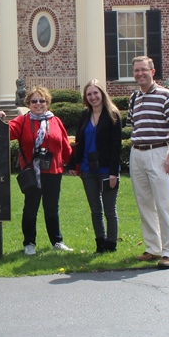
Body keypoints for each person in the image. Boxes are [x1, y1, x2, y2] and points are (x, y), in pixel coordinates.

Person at [0, 86, 74, 255]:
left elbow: (65, 145)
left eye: (42, 101)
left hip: (53, 171)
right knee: (30, 209)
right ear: (28, 103)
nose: (38, 104)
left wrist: (74, 165)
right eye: (34, 101)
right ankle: (29, 243)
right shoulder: (23, 121)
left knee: (52, 208)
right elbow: (6, 132)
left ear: (47, 103)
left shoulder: (56, 121)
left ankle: (57, 241)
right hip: (33, 173)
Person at [127, 56, 169, 269]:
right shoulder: (134, 97)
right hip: (137, 153)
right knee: (144, 203)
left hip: (158, 152)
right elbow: (134, 125)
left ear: (152, 71)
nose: (140, 74)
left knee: (164, 204)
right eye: (136, 71)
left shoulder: (166, 96)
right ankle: (153, 248)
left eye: (143, 70)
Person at [67, 79, 123, 254]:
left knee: (109, 210)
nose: (93, 97)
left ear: (102, 94)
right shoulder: (85, 115)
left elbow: (116, 146)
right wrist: (73, 163)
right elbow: (79, 141)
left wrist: (114, 172)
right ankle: (100, 243)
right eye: (89, 94)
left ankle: (111, 244)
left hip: (107, 170)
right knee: (95, 210)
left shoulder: (113, 115)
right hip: (87, 169)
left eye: (95, 93)